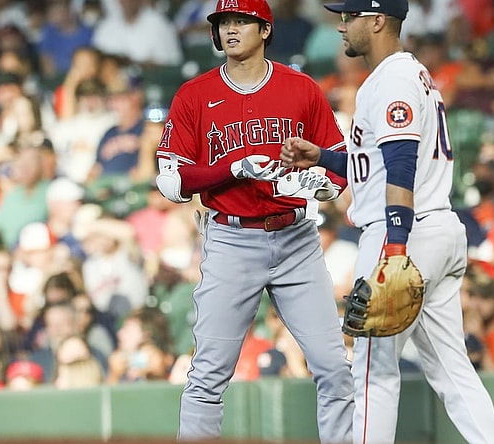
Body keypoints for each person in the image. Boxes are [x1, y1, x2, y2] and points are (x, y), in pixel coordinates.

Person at [280, 0, 494, 442]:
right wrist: (324, 156)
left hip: (401, 232)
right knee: (452, 371)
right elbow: (378, 163)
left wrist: (396, 250)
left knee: (372, 372)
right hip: (436, 228)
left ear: (378, 20)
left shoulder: (394, 77)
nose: (341, 26)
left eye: (350, 17)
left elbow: (401, 165)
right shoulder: (409, 74)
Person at [153, 0, 354, 442]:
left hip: (297, 237)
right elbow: (171, 181)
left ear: (264, 29)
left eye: (240, 20)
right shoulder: (195, 94)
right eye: (223, 21)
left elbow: (341, 162)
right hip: (231, 238)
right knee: (207, 375)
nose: (230, 29)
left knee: (335, 368)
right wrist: (235, 167)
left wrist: (322, 184)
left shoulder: (300, 88)